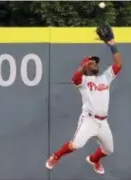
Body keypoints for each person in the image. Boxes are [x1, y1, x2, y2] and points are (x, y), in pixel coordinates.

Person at [45, 34, 122, 175]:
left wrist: (112, 45)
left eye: (96, 62)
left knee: (109, 149)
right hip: (89, 119)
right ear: (85, 66)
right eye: (91, 63)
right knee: (76, 145)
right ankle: (56, 156)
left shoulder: (105, 77)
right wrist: (82, 67)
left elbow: (118, 64)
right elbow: (75, 79)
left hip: (103, 122)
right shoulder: (84, 81)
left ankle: (93, 159)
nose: (95, 64)